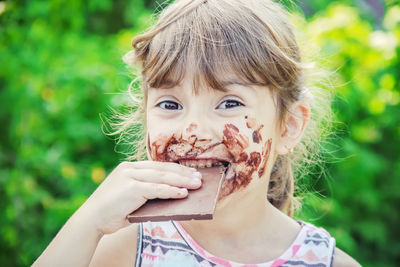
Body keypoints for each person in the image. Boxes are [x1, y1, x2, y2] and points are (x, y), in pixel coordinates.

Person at [33, 0, 362, 266]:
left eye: (229, 102)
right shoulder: (126, 248)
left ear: (288, 125)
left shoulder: (324, 261)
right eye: (171, 104)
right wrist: (87, 223)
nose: (193, 132)